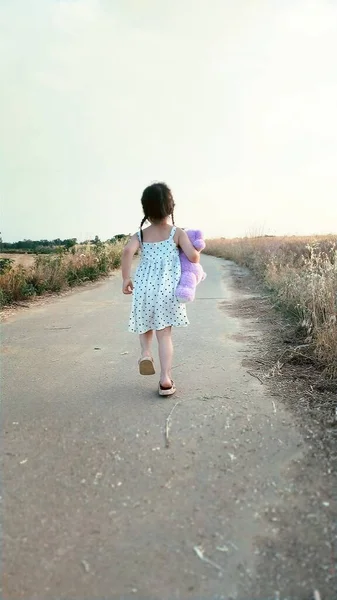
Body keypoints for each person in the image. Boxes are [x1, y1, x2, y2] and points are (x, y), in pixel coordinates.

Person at [121, 182, 201, 396]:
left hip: (144, 288)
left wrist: (126, 278)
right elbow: (193, 256)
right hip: (167, 291)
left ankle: (146, 353)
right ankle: (165, 380)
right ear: (171, 207)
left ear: (145, 210)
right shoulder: (177, 233)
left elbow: (127, 251)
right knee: (164, 334)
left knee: (145, 325)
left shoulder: (140, 235)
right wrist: (196, 251)